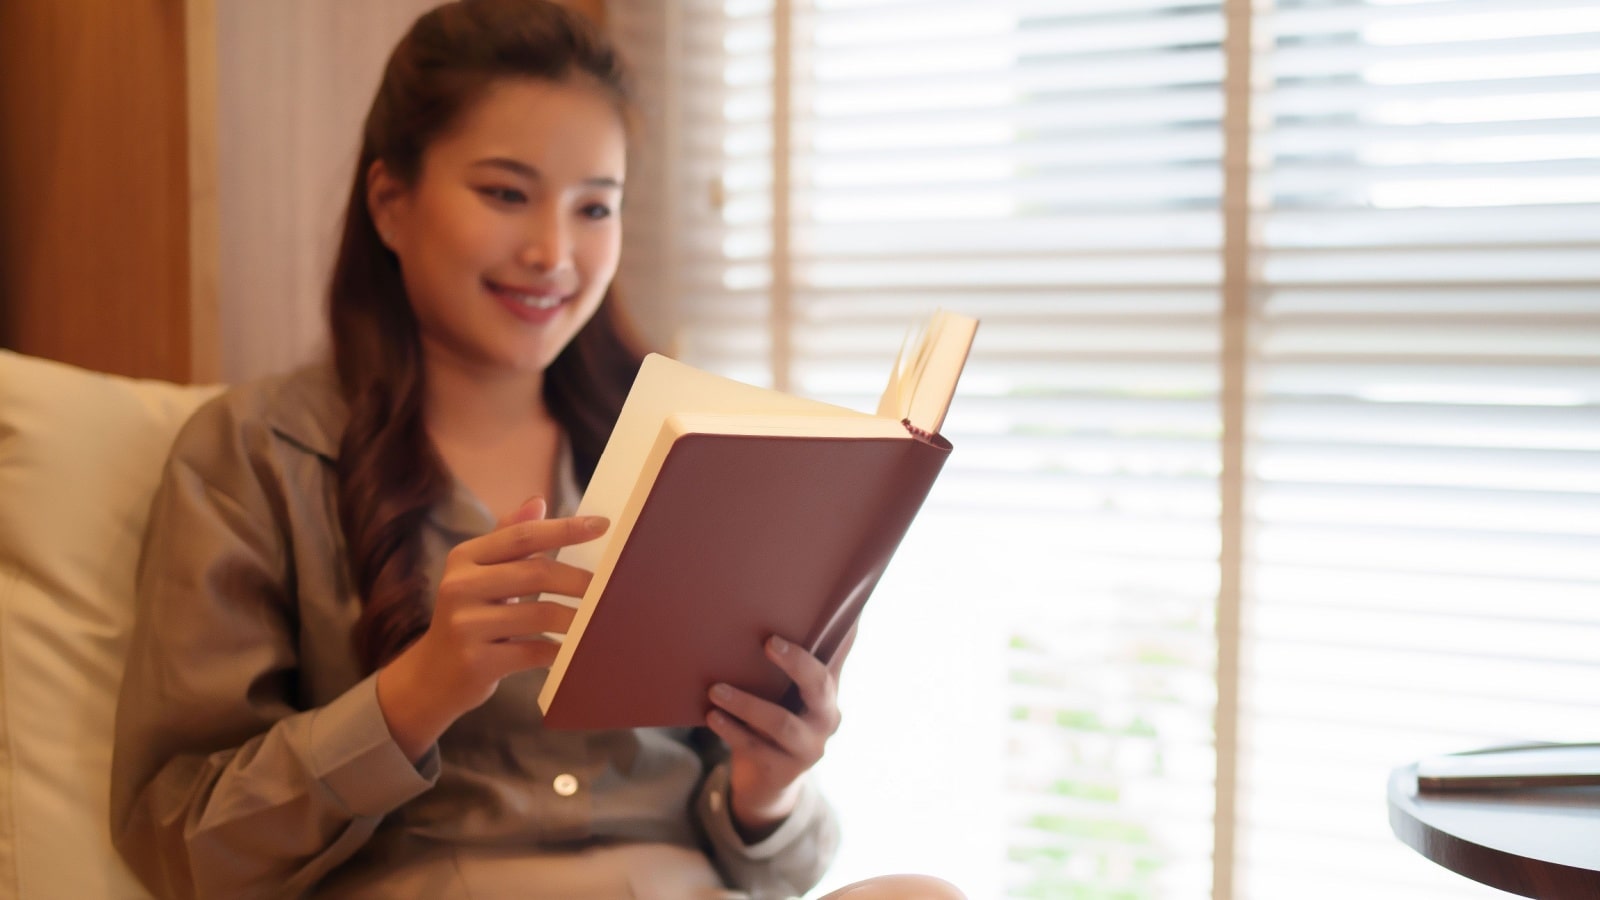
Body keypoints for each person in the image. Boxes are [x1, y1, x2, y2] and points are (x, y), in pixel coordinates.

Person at [108, 2, 847, 897]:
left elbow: (780, 866)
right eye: (505, 194)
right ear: (391, 203)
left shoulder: (680, 451)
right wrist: (417, 690)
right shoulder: (256, 453)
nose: (553, 252)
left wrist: (768, 790)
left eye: (594, 207)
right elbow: (179, 841)